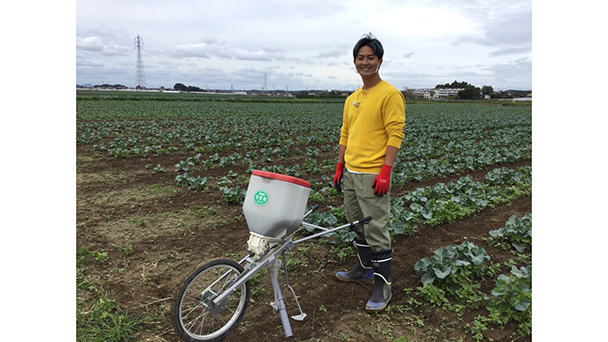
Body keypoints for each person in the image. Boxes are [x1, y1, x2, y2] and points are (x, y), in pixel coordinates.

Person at [333, 33, 405, 312]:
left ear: (380, 61)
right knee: (355, 222)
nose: (365, 62)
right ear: (355, 62)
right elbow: (345, 132)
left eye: (370, 58)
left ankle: (383, 284)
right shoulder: (352, 98)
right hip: (351, 173)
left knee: (375, 228)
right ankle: (364, 268)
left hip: (372, 174)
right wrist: (340, 166)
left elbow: (395, 133)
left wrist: (385, 171)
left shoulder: (390, 94)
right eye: (360, 58)